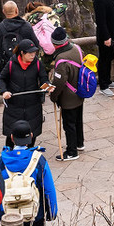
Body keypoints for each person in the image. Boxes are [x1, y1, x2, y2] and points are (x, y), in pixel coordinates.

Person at [0, 119, 57, 226]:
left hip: (10, 218)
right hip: (35, 216)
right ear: (31, 136)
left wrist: (2, 212)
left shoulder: (1, 162)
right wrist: (52, 212)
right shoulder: (39, 160)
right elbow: (48, 189)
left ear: (11, 137)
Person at [0, 39, 48, 148]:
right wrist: (4, 91)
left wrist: (47, 86)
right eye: (30, 53)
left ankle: (29, 156)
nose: (33, 55)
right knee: (11, 134)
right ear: (22, 53)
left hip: (33, 105)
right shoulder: (11, 64)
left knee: (32, 133)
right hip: (14, 106)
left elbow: (44, 79)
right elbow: (1, 78)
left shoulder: (37, 64)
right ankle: (10, 156)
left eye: (34, 53)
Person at [47, 28, 85, 160]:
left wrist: (53, 97)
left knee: (69, 124)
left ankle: (72, 151)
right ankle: (79, 143)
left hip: (69, 97)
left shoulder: (61, 58)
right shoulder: (77, 48)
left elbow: (59, 81)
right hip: (80, 90)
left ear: (55, 44)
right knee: (78, 120)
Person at [0, 0, 36, 68]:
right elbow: (35, 44)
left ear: (3, 11)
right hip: (24, 68)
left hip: (5, 68)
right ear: (17, 10)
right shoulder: (26, 26)